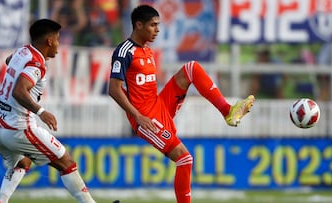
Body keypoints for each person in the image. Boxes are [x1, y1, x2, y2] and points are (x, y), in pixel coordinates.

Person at [108, 5, 255, 203]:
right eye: (153, 25)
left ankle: (228, 111)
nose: (157, 30)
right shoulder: (124, 51)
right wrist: (137, 116)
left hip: (159, 104)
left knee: (191, 68)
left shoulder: (148, 52)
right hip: (145, 118)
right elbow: (114, 89)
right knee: (185, 159)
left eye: (158, 25)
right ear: (138, 24)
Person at [0, 19, 97, 203]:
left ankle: (1, 201)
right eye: (57, 39)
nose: (58, 44)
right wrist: (42, 112)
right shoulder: (36, 64)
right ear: (49, 41)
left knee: (22, 162)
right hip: (18, 129)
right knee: (67, 163)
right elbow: (19, 91)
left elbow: (10, 61)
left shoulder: (22, 51)